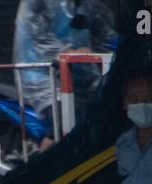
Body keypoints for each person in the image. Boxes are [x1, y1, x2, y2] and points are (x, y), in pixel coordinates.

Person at [13, 0, 116, 144]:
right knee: (63, 121)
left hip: (81, 74)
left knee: (100, 117)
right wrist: (68, 52)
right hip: (42, 75)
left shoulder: (89, 4)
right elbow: (38, 38)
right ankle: (44, 163)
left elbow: (104, 35)